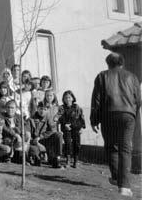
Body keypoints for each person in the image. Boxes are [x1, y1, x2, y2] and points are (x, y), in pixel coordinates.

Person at [90, 53, 141, 197]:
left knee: (111, 146)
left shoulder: (102, 76)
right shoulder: (132, 77)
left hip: (109, 113)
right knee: (125, 149)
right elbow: (138, 99)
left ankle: (116, 177)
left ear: (108, 63)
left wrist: (94, 120)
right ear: (122, 63)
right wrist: (132, 115)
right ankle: (124, 187)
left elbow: (97, 100)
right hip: (128, 115)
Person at [27, 104, 64, 168]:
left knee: (59, 135)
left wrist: (41, 137)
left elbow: (52, 130)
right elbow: (28, 132)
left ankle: (56, 158)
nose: (42, 111)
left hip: (46, 140)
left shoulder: (49, 118)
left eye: (45, 109)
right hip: (34, 142)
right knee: (36, 158)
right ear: (37, 108)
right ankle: (36, 158)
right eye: (41, 109)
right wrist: (35, 140)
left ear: (47, 110)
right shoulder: (31, 119)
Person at [58, 90, 85, 168]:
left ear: (73, 98)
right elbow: (60, 117)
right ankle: (68, 160)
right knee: (68, 143)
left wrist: (82, 127)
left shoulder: (77, 107)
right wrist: (64, 124)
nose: (68, 99)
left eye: (69, 97)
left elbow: (81, 118)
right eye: (65, 98)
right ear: (63, 99)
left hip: (76, 127)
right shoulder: (62, 107)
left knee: (77, 144)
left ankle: (76, 160)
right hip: (66, 128)